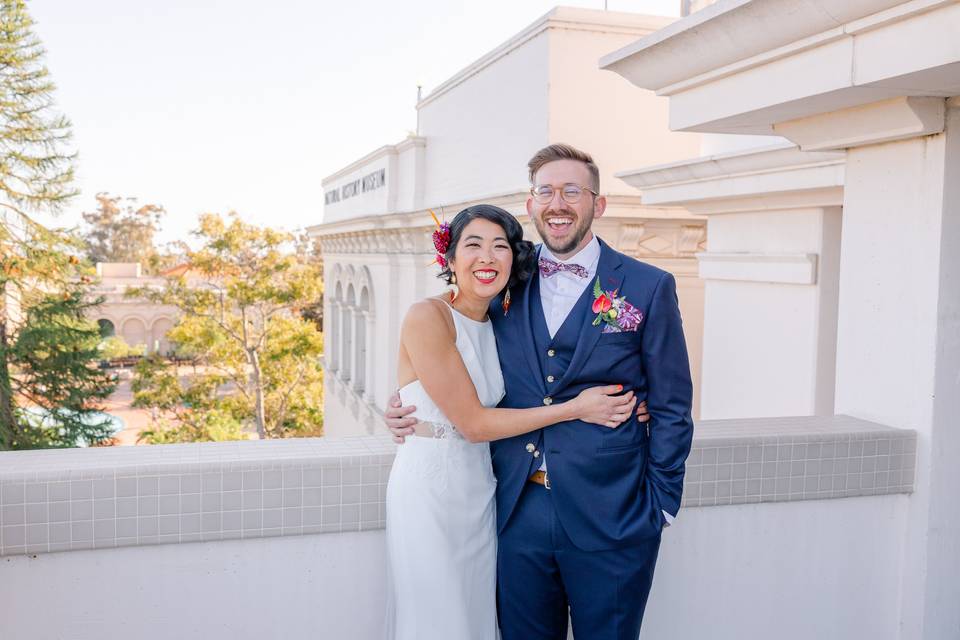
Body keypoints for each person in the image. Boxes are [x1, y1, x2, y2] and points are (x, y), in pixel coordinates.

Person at [387, 143, 694, 640]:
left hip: (614, 510)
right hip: (514, 511)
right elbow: (455, 359)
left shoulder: (647, 285)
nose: (558, 203)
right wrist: (407, 403)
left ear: (598, 203)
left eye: (573, 191)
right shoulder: (506, 282)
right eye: (546, 191)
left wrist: (661, 503)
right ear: (530, 205)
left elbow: (673, 404)